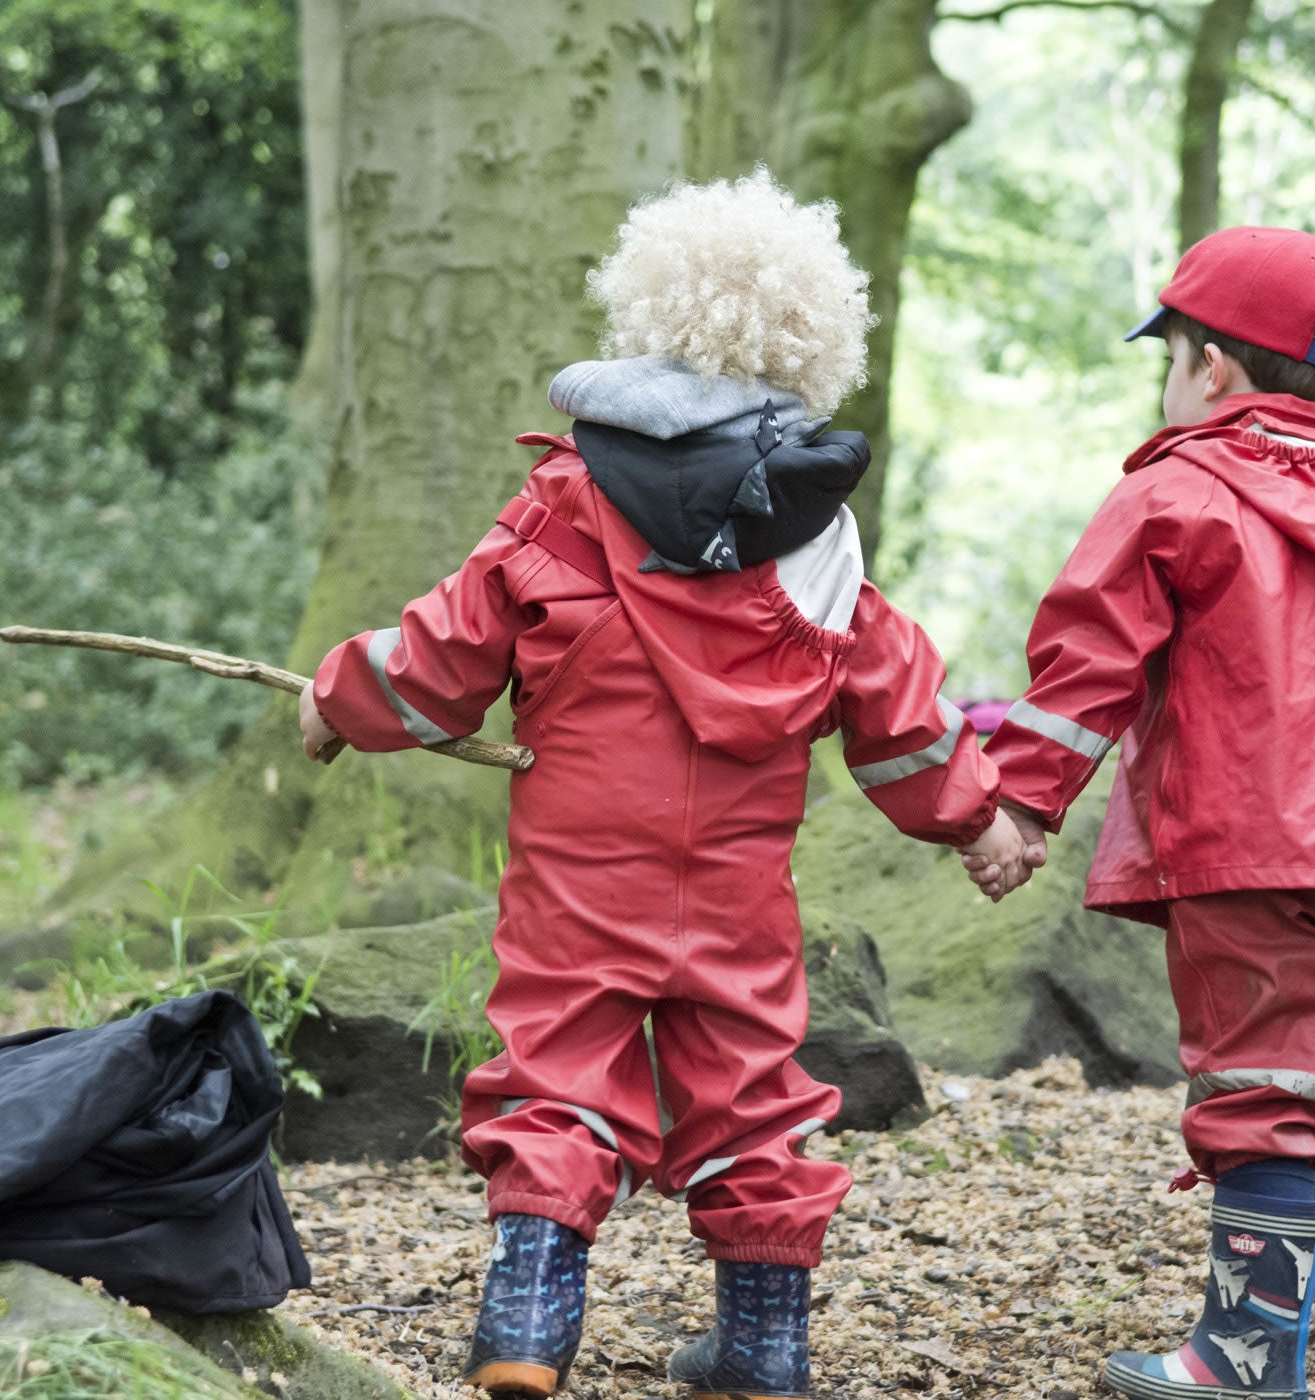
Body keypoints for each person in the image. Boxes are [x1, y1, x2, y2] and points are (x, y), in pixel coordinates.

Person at [297, 169, 1029, 1400]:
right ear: (812, 340)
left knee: (557, 1070)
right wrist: (979, 814)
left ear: (646, 314)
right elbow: (896, 710)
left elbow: (440, 665)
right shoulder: (814, 538)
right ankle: (763, 1345)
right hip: (738, 882)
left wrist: (336, 695)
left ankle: (527, 1325)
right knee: (750, 1088)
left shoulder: (569, 500)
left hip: (580, 873)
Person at [973, 227, 1315, 1399]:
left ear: (1212, 371)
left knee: (1259, 1072)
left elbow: (1090, 660)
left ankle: (1246, 1353)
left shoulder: (1173, 492)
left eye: (1171, 354)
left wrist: (1023, 802)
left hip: (1248, 836)